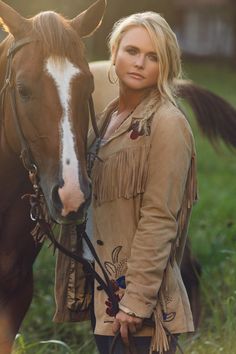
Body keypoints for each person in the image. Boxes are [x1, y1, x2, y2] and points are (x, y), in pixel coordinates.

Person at [87, 11, 198, 354]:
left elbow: (160, 219)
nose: (139, 63)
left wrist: (135, 302)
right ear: (114, 51)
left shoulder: (167, 123)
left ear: (166, 65)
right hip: (104, 298)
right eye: (132, 51)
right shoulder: (107, 118)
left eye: (153, 57)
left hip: (140, 308)